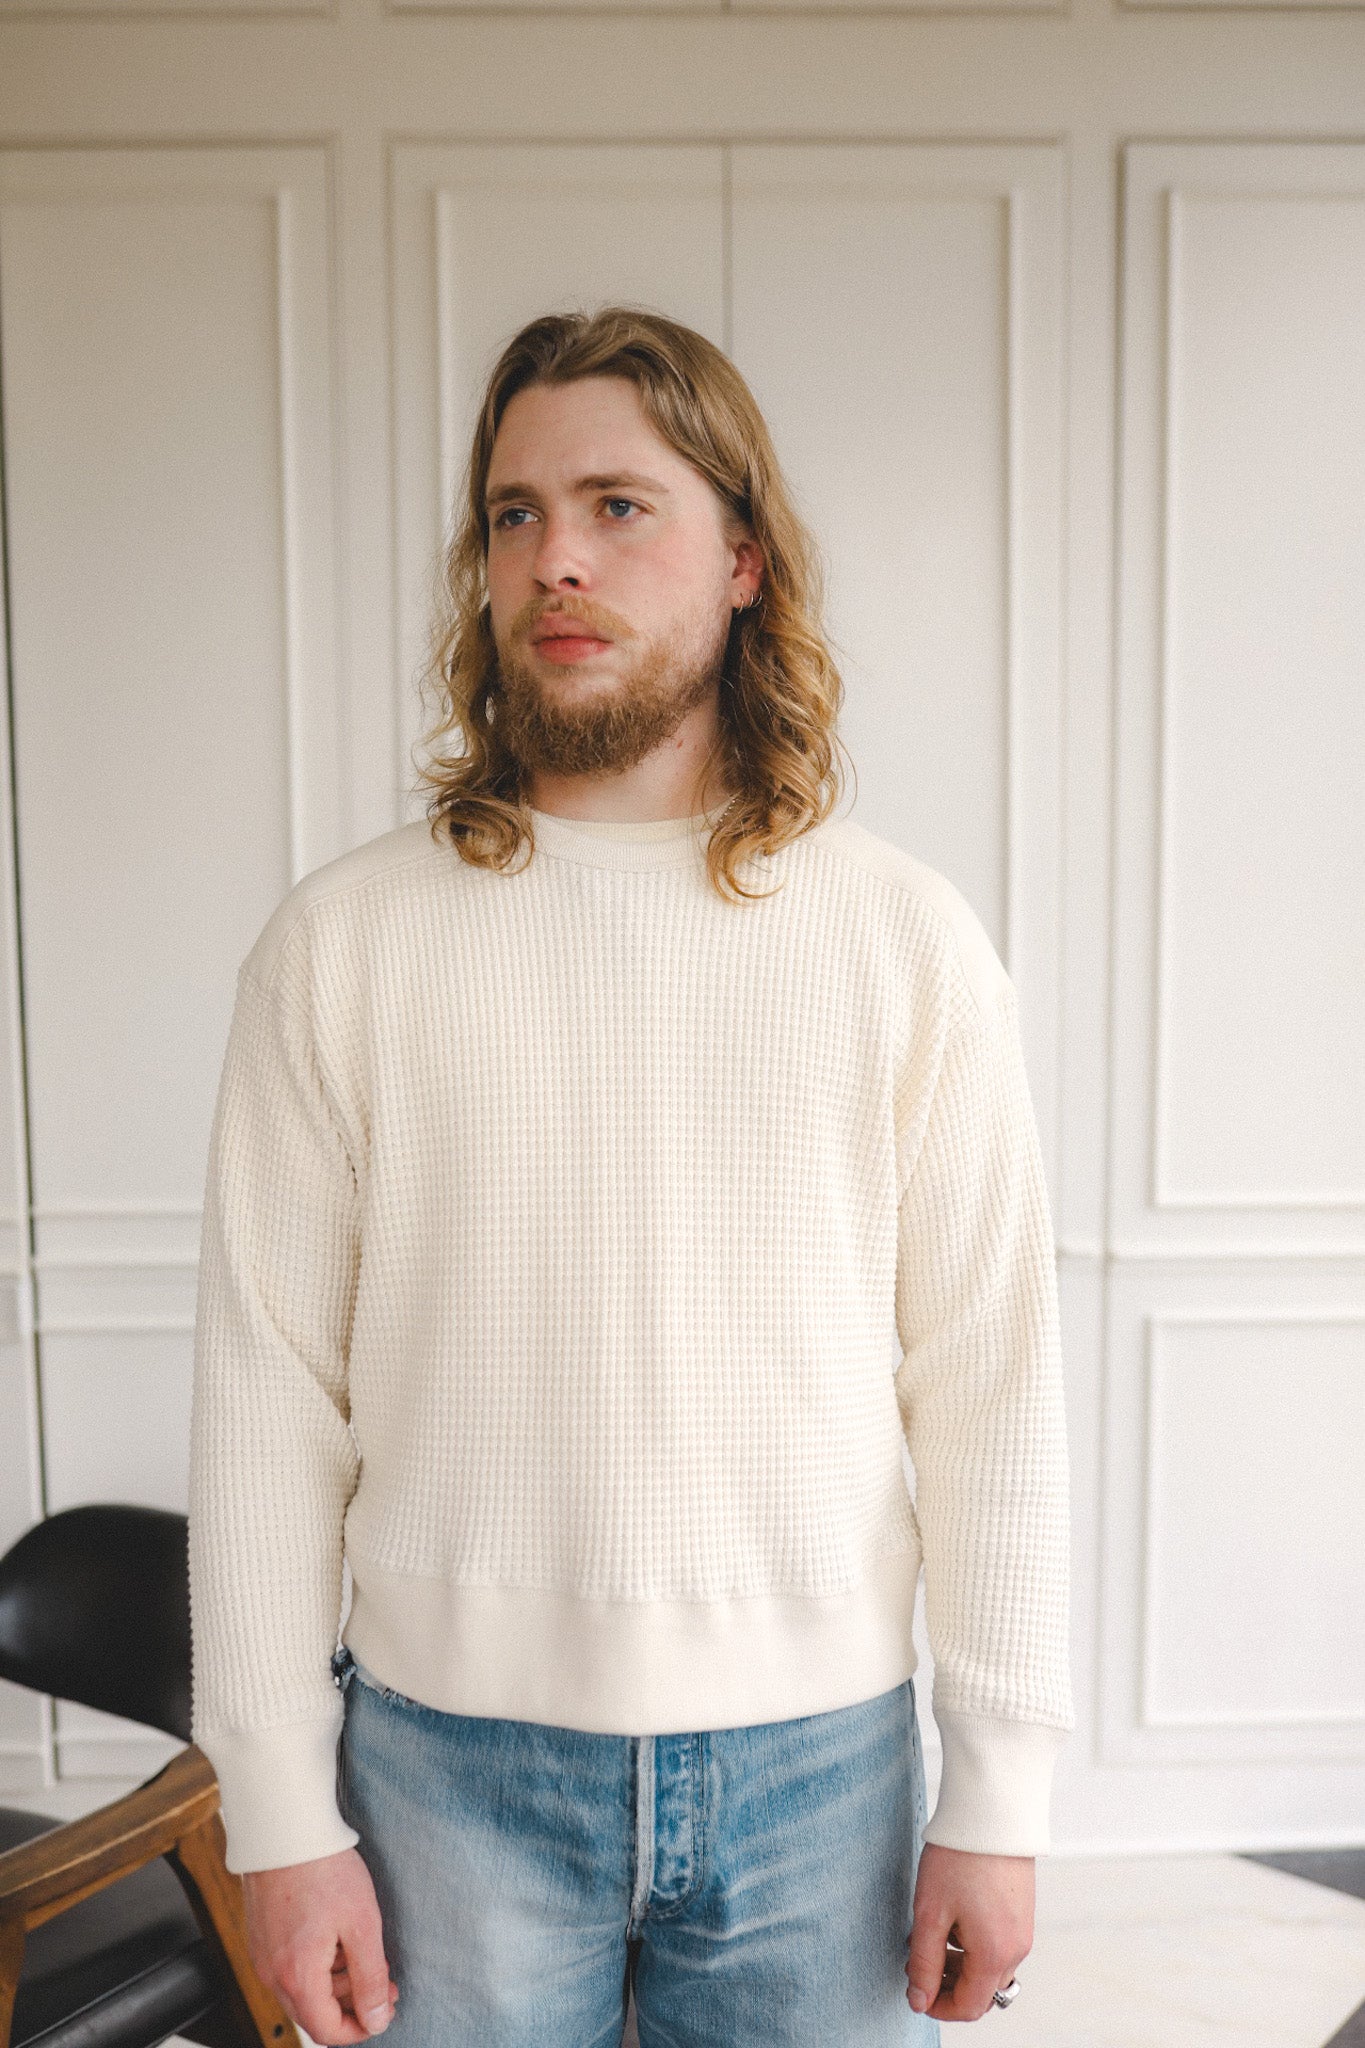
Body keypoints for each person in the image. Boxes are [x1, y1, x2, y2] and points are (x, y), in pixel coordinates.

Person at [188, 304, 1074, 2046]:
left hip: (819, 1777)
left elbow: (989, 1380)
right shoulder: (342, 946)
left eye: (616, 506)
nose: (556, 562)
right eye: (514, 515)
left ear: (743, 559)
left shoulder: (901, 941)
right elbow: (267, 1395)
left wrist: (998, 1793)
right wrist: (280, 1816)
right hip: (441, 1771)